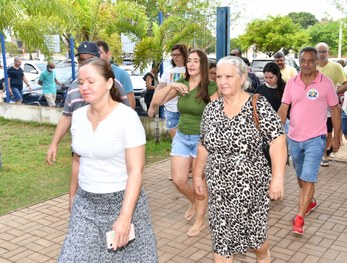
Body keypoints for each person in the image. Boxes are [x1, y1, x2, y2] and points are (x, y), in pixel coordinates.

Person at [58, 58, 158, 262]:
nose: (84, 86)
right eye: (80, 82)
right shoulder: (77, 118)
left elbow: (136, 171)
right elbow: (77, 160)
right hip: (86, 203)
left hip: (123, 202)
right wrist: (72, 197)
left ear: (109, 83)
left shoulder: (127, 118)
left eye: (90, 81)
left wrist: (125, 217)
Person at [193, 55, 286, 262]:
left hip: (251, 188)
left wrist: (277, 179)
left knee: (256, 242)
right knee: (222, 242)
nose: (222, 81)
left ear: (243, 77)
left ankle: (263, 255)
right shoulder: (211, 109)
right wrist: (198, 176)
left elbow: (277, 141)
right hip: (219, 189)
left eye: (228, 76)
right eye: (218, 76)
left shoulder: (257, 104)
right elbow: (204, 145)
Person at [150, 49, 218, 237]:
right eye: (189, 60)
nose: (191, 64)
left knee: (199, 181)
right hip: (182, 136)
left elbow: (218, 115)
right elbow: (156, 101)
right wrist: (172, 86)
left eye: (196, 61)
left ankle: (200, 220)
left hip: (201, 140)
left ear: (202, 64)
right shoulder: (182, 84)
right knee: (179, 179)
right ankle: (196, 203)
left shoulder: (210, 87)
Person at [278, 46, 341, 235]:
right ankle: (310, 201)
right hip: (294, 138)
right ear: (299, 61)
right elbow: (283, 108)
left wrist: (337, 136)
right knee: (301, 177)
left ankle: (299, 218)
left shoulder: (326, 83)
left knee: (308, 177)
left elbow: (335, 110)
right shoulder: (291, 83)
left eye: (310, 61)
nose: (306, 64)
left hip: (316, 138)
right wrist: (272, 130)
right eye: (303, 60)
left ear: (316, 62)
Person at [46, 41, 129, 165]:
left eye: (90, 59)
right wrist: (54, 143)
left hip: (109, 153)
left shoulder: (112, 84)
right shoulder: (73, 87)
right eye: (81, 60)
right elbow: (66, 117)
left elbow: (127, 116)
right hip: (80, 151)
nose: (85, 63)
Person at [316, 42, 347, 167]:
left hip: (329, 106)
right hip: (312, 106)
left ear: (328, 52)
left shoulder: (336, 67)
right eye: (319, 51)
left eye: (324, 51)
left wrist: (333, 93)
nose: (321, 54)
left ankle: (324, 154)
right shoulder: (310, 66)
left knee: (327, 131)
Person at [148, 44, 188, 138]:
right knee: (175, 139)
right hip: (170, 109)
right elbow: (159, 89)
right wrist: (152, 106)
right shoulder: (168, 70)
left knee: (186, 138)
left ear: (184, 55)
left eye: (178, 55)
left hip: (185, 108)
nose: (175, 57)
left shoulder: (189, 69)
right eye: (173, 55)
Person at [96, 40, 136, 109]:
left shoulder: (121, 74)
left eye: (100, 53)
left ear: (108, 54)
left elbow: (131, 102)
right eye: (95, 54)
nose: (98, 56)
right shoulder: (90, 75)